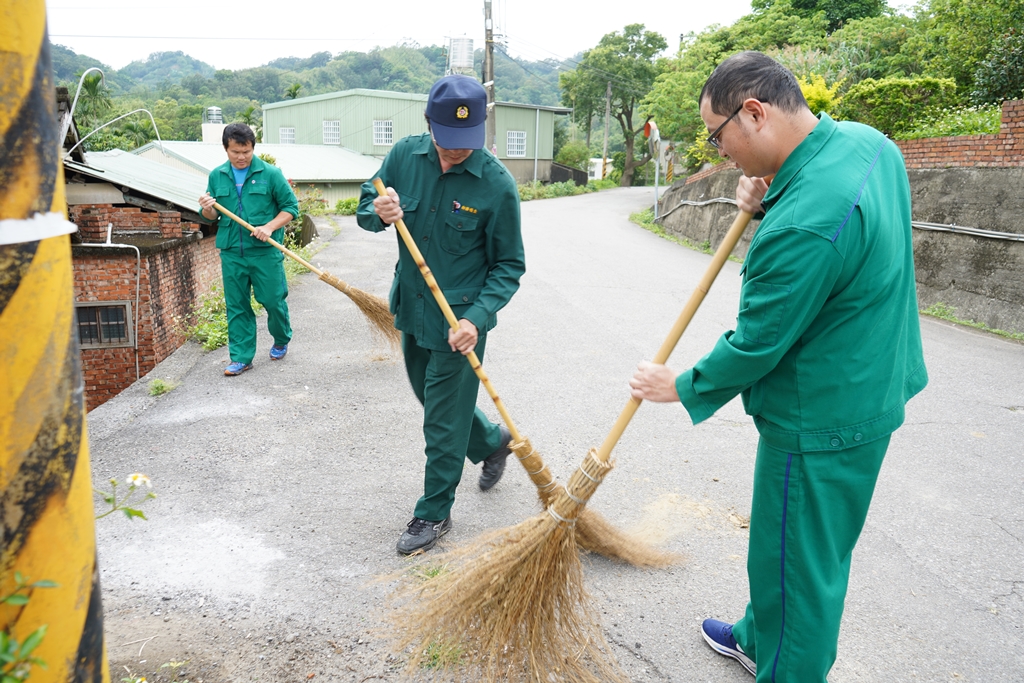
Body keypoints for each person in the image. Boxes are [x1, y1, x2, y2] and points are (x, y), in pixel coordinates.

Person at [629, 51, 928, 681]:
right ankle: (757, 636)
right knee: (785, 550)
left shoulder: (800, 226)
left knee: (801, 568)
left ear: (755, 112)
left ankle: (786, 661)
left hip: (819, 417)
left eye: (718, 135)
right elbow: (848, 241)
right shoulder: (869, 145)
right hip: (873, 383)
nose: (721, 151)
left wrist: (681, 386)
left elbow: (758, 342)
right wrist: (769, 198)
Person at [357, 75, 526, 556]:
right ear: (428, 124)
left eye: (465, 144)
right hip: (411, 307)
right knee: (430, 400)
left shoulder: (496, 186)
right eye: (446, 143)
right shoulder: (403, 157)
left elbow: (509, 265)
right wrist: (379, 211)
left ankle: (434, 511)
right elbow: (365, 209)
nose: (455, 153)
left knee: (442, 424)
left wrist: (478, 317)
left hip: (459, 324)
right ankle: (493, 441)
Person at [199, 123, 299, 376]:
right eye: (235, 152)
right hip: (232, 251)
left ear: (253, 148)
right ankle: (241, 357)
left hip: (265, 250)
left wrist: (269, 226)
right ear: (226, 149)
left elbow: (290, 208)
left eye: (246, 151)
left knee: (273, 300)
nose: (241, 157)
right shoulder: (217, 175)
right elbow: (210, 217)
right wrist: (207, 207)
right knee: (237, 305)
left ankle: (281, 337)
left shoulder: (271, 174)